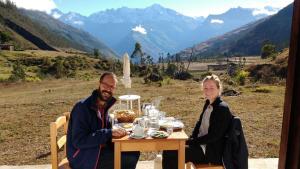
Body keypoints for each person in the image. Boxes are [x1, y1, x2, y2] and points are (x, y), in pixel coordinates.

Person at [67, 72, 140, 169]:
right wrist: (109, 133)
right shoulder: (82, 108)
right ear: (99, 84)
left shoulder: (103, 105)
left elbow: (104, 126)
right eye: (105, 85)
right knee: (129, 158)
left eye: (112, 87)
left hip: (96, 149)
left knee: (133, 151)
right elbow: (79, 141)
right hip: (83, 157)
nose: (108, 89)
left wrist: (116, 128)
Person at [162, 74, 232, 169]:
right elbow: (199, 123)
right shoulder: (208, 104)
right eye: (205, 88)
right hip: (201, 146)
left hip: (211, 152)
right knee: (169, 149)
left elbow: (214, 136)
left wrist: (193, 142)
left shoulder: (222, 108)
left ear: (218, 89)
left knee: (171, 153)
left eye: (211, 88)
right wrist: (191, 139)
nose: (208, 91)